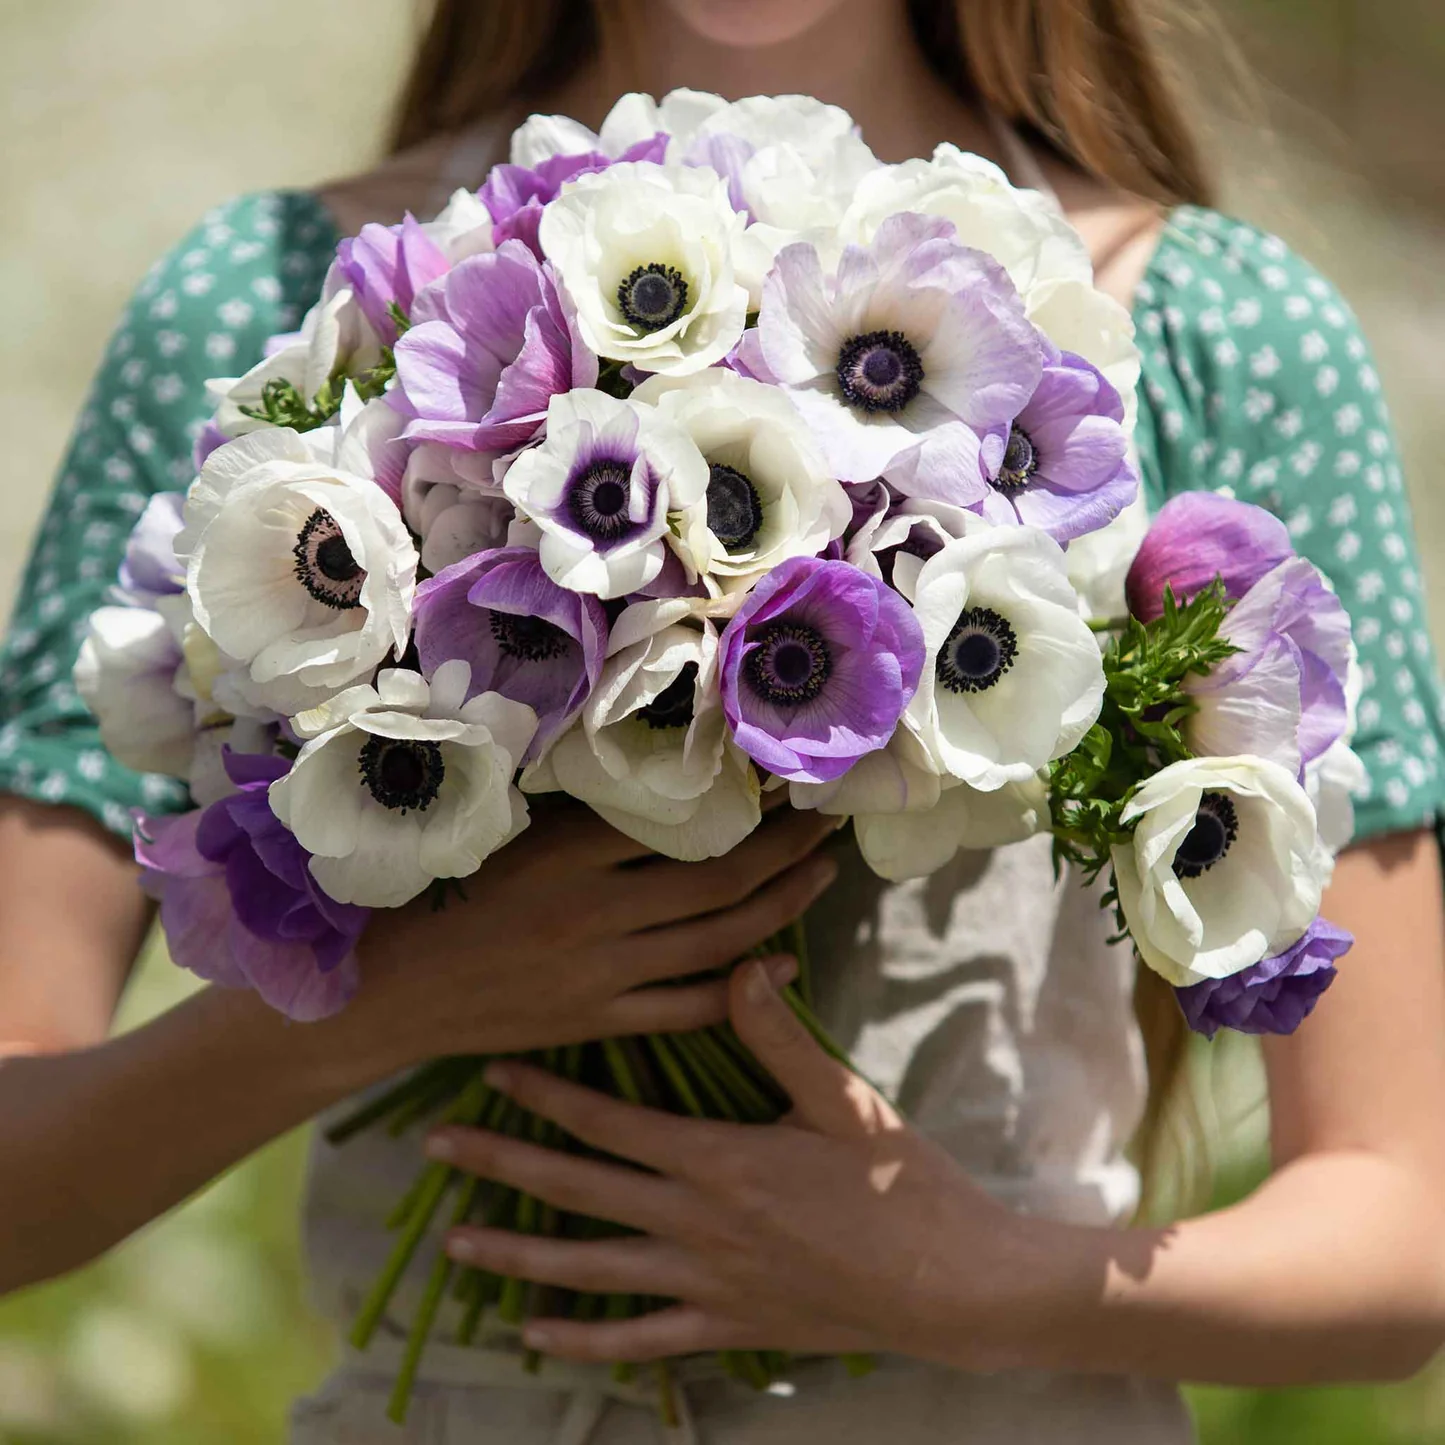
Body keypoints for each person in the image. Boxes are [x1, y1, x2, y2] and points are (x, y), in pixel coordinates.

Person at [2, 1, 1444, 1441]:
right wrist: (378, 1010)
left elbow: (1403, 1229)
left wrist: (974, 1278)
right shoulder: (280, 302)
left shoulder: (1210, 333)